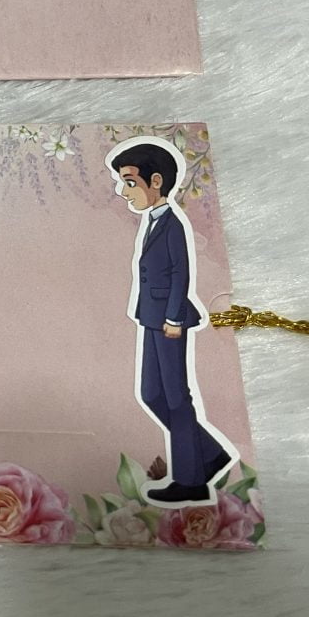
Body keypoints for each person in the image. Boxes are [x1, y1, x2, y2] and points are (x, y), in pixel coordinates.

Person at [107, 137, 237, 505]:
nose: (122, 191)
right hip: (150, 317)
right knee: (152, 393)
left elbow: (181, 274)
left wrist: (174, 317)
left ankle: (191, 481)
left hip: (168, 319)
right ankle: (209, 454)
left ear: (156, 181)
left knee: (177, 398)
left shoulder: (173, 224)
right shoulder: (153, 221)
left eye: (129, 182)